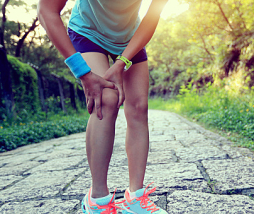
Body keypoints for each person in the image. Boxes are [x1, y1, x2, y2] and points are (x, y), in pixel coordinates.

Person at [37, 0, 168, 213]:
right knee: (106, 99)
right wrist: (83, 72)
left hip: (128, 38)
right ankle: (97, 200)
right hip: (88, 32)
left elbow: (153, 15)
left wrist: (122, 61)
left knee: (139, 107)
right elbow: (46, 11)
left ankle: (135, 198)